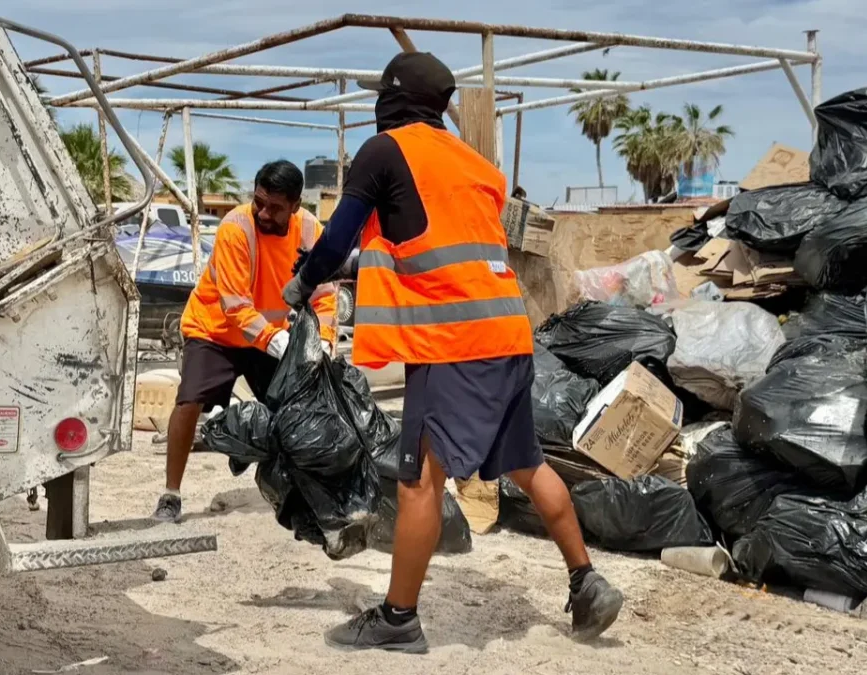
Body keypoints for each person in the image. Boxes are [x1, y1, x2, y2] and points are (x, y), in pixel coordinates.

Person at [283, 52, 624, 653]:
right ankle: (586, 582)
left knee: (419, 478)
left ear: (394, 97)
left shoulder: (385, 150)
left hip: (451, 342)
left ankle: (398, 619)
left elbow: (337, 236)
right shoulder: (474, 164)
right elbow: (433, 244)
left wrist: (304, 281)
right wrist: (353, 266)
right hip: (506, 333)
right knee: (527, 463)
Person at [153, 160, 337, 523]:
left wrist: (326, 341)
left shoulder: (310, 231)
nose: (264, 213)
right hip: (215, 330)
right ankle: (171, 494)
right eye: (259, 202)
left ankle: (294, 487)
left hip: (267, 336)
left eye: (275, 207)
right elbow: (236, 305)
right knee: (189, 402)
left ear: (296, 205)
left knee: (293, 409)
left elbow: (325, 295)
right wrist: (277, 342)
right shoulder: (235, 228)